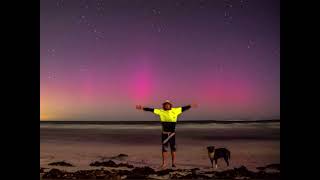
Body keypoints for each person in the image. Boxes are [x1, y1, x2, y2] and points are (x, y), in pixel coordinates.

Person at [136, 100, 198, 168]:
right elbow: (151, 110)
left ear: (170, 105)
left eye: (168, 104)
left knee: (173, 149)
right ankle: (164, 163)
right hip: (164, 134)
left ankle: (173, 163)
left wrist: (190, 106)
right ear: (164, 105)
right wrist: (142, 108)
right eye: (165, 104)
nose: (167, 105)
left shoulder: (176, 110)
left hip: (172, 134)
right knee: (164, 149)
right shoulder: (161, 111)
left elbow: (183, 108)